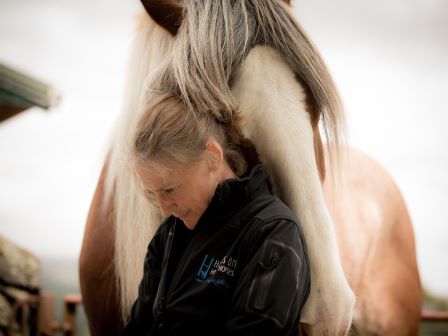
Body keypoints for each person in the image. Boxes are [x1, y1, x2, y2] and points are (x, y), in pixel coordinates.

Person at [122, 93, 310, 335]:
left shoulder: (273, 232)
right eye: (153, 193)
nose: (164, 209)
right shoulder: (169, 234)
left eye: (169, 189)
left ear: (212, 156)